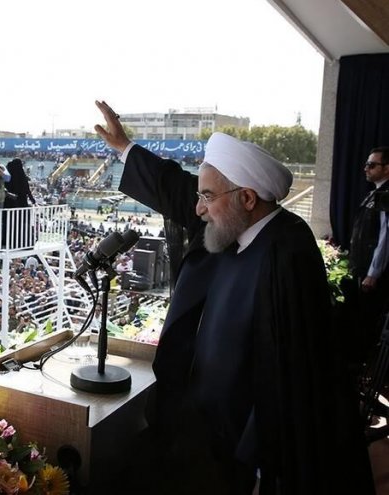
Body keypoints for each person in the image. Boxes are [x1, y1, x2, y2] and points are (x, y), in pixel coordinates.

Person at [93, 99, 372, 494]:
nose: (198, 208)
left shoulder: (286, 254)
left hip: (245, 455)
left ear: (247, 198)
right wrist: (125, 148)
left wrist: (261, 466)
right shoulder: (235, 225)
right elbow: (178, 189)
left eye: (207, 196)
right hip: (203, 432)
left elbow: (288, 376)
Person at [348, 145, 389, 362]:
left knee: (367, 322)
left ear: (387, 168)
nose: (366, 168)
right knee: (358, 319)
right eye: (366, 164)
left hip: (373, 276)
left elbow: (386, 237)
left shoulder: (386, 195)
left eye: (372, 165)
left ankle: (362, 366)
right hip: (362, 270)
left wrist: (373, 273)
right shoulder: (375, 193)